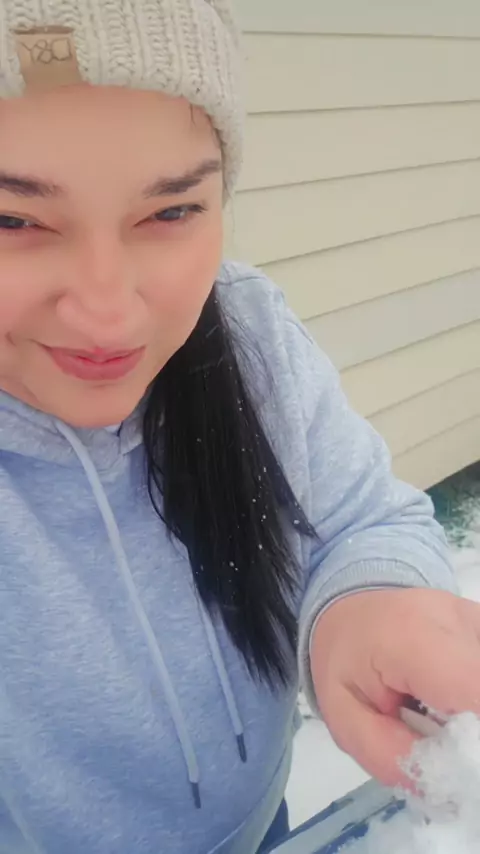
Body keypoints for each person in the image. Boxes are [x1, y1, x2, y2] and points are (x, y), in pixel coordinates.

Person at [0, 1, 479, 852]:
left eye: (172, 211)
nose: (109, 312)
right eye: (12, 219)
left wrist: (366, 605)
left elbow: (360, 518)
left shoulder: (249, 332)